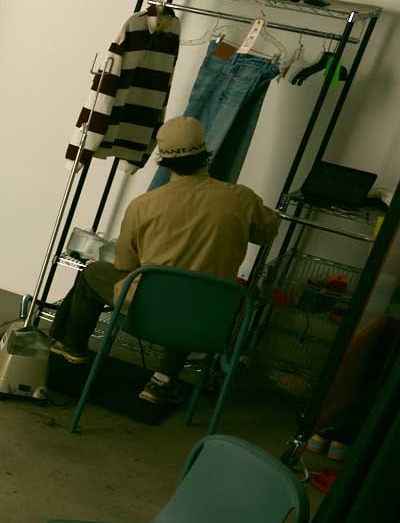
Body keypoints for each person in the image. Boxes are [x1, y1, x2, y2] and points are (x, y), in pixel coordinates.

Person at [50, 114, 280, 403]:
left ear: (163, 159)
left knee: (94, 272)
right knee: (197, 291)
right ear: (204, 152)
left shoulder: (143, 206)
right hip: (208, 318)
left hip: (147, 315)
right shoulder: (241, 199)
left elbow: (124, 266)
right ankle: (162, 380)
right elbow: (268, 231)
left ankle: (72, 346)